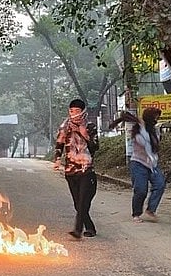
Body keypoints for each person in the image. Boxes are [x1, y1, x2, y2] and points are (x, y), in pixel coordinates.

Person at [109, 107, 165, 223]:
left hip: (152, 164)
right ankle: (136, 213)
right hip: (138, 163)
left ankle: (151, 209)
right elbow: (141, 142)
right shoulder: (138, 130)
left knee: (160, 184)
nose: (156, 120)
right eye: (155, 117)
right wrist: (143, 129)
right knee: (140, 190)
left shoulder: (155, 131)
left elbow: (156, 146)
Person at [53, 99, 99, 239]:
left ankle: (77, 230)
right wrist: (57, 159)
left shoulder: (90, 126)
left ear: (83, 112)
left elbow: (95, 147)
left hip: (86, 170)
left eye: (77, 112)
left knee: (83, 200)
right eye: (71, 111)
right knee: (77, 204)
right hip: (70, 170)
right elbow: (59, 143)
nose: (74, 114)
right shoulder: (65, 126)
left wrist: (83, 134)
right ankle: (90, 227)